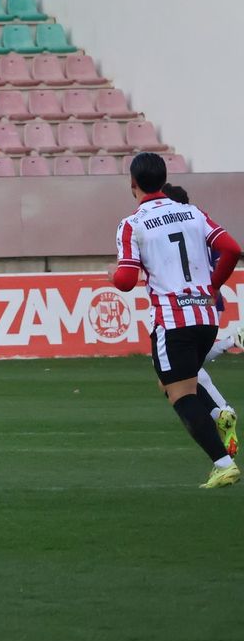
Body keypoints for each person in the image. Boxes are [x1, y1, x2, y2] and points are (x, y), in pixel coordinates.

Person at [110, 155, 242, 487]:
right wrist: (211, 287)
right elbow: (231, 249)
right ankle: (219, 412)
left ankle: (223, 463)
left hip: (172, 319)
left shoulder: (133, 223)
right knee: (173, 381)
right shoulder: (194, 212)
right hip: (206, 316)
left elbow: (126, 279)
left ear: (132, 184)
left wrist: (113, 275)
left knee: (180, 393)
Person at [160, 184, 241, 448]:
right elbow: (224, 253)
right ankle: (231, 342)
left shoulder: (164, 226)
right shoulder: (199, 221)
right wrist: (213, 285)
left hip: (183, 301)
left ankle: (221, 412)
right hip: (206, 299)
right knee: (186, 364)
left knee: (177, 369)